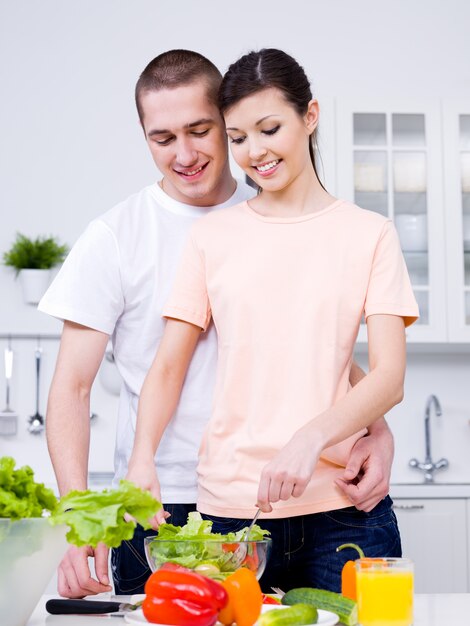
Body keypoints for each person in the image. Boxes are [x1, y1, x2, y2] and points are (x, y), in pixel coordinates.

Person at [40, 49, 395, 598]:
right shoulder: (116, 236)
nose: (184, 154)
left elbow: (316, 345)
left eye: (201, 131)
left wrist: (374, 428)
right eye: (162, 139)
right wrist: (79, 518)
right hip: (162, 496)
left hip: (295, 488)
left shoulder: (288, 216)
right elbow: (72, 387)